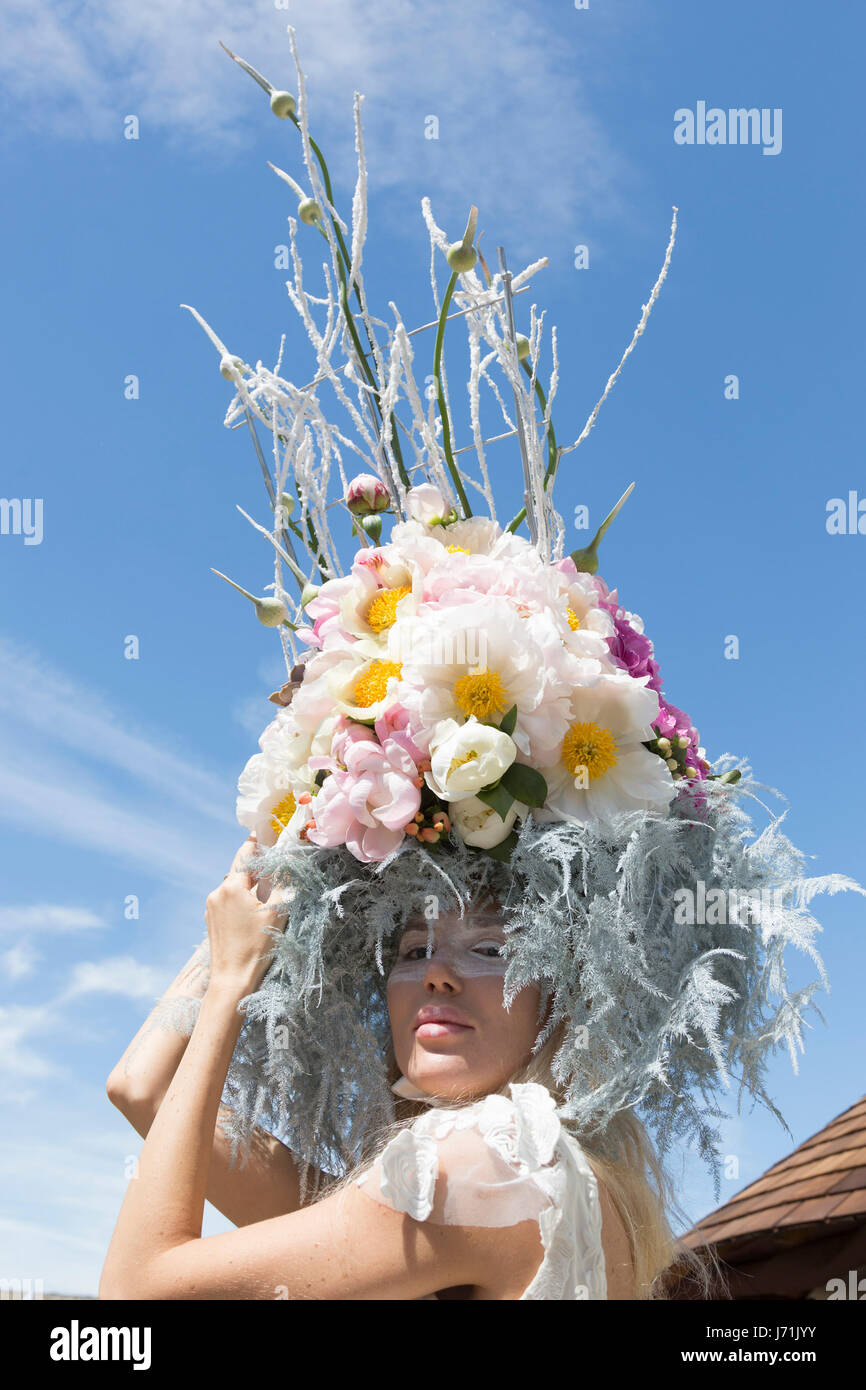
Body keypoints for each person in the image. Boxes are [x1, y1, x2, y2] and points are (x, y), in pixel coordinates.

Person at [102, 835, 718, 1300]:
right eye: (415, 949)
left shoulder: (483, 1164)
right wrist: (252, 907)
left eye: (490, 948)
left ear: (560, 1004)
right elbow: (142, 1090)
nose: (435, 973)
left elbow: (137, 1291)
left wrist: (234, 977)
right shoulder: (527, 1171)